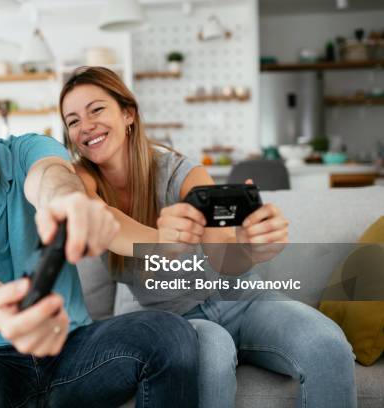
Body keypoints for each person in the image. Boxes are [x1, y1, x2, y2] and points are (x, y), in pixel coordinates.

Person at [0, 67, 199, 408]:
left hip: (73, 349)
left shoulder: (29, 149)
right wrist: (1, 311)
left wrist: (66, 201)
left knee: (170, 335)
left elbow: (51, 177)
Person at [59, 66, 356, 408]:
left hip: (245, 298)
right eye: (73, 120)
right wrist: (162, 241)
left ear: (128, 113)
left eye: (96, 109)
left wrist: (251, 248)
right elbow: (103, 221)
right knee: (212, 351)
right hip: (179, 321)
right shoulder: (79, 180)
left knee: (327, 345)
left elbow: (223, 259)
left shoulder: (180, 173)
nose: (86, 126)